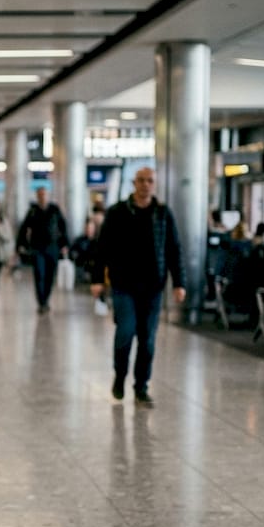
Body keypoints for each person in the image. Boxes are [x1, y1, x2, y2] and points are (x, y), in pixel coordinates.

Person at [90, 166, 185, 405]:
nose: (145, 185)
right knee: (125, 332)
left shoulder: (163, 213)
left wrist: (179, 283)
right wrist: (97, 278)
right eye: (141, 180)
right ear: (134, 183)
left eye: (150, 181)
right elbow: (103, 247)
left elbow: (174, 249)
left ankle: (141, 386)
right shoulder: (118, 212)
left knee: (148, 340)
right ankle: (120, 376)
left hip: (153, 286)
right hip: (123, 284)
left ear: (154, 184)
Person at [17, 186, 69, 313]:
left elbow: (63, 228)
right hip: (37, 247)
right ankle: (41, 302)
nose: (42, 196)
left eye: (44, 194)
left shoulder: (54, 210)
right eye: (40, 194)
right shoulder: (33, 210)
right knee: (39, 274)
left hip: (52, 248)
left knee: (50, 275)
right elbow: (24, 228)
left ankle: (46, 298)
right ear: (37, 196)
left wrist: (64, 245)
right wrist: (20, 244)